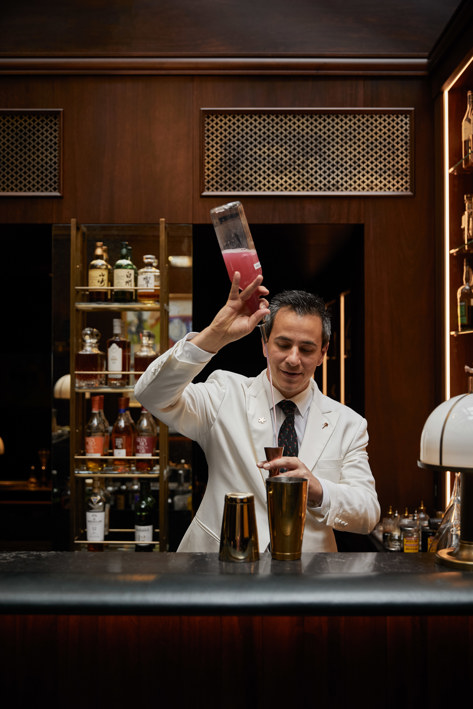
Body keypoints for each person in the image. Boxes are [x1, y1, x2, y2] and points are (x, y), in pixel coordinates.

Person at [134, 272, 380, 552]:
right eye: (283, 344)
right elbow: (150, 394)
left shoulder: (348, 424)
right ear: (265, 342)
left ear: (323, 352)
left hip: (308, 579)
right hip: (221, 570)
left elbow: (368, 513)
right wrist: (213, 335)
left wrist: (318, 490)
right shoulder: (225, 393)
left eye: (307, 349)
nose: (293, 359)